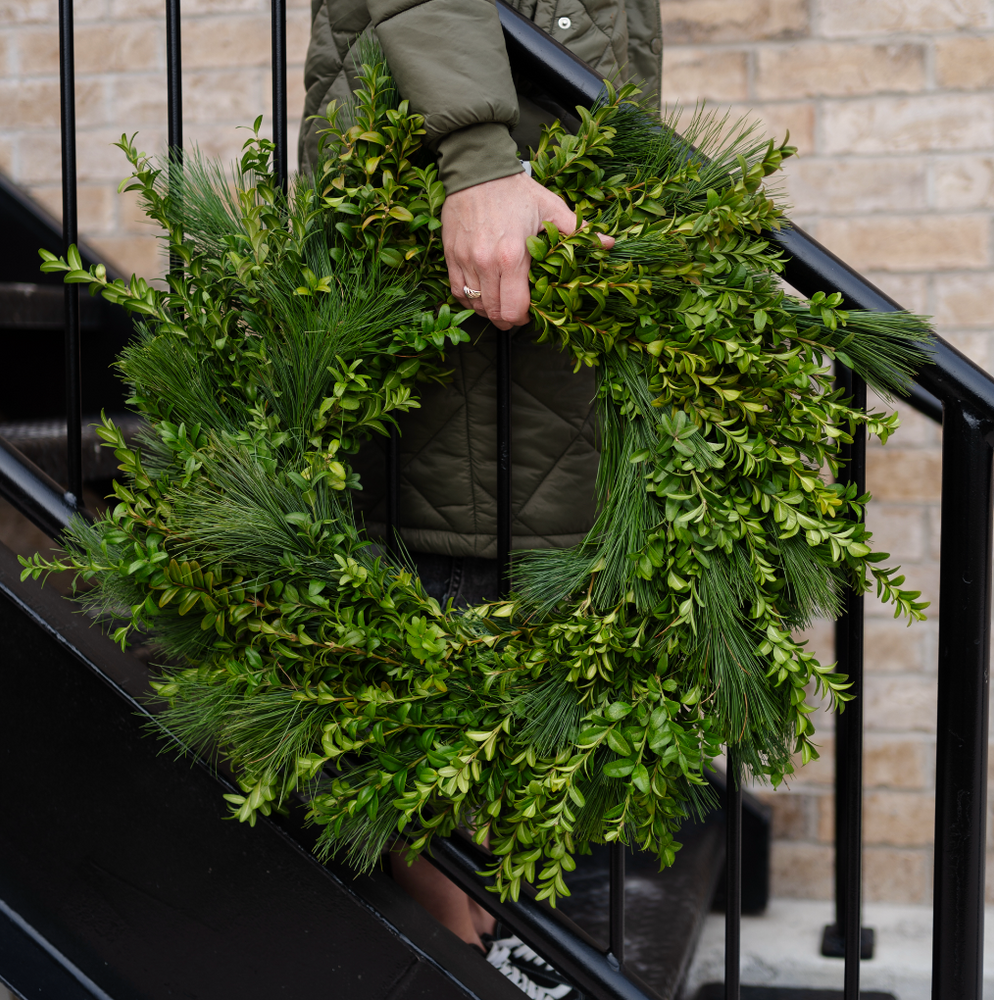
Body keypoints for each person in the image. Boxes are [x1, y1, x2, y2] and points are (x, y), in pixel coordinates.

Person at [299, 0, 662, 992]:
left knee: (519, 577)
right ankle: (441, 929)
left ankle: (475, 909)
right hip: (457, 188)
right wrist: (477, 155)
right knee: (443, 563)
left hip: (522, 226)